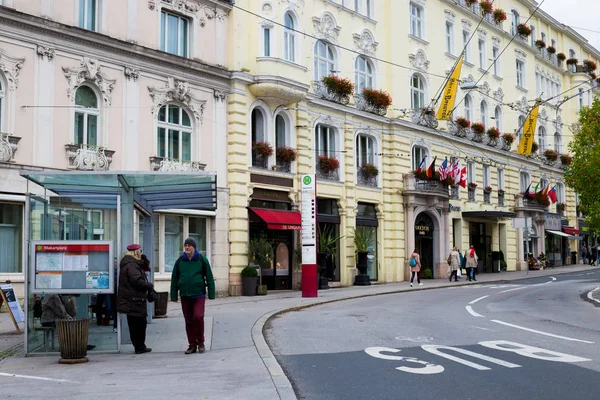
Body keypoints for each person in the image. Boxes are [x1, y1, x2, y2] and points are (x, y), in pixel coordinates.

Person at [170, 237, 216, 354]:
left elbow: (209, 276)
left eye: (188, 245)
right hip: (185, 295)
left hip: (198, 294)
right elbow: (174, 278)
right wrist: (174, 295)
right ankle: (192, 345)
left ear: (194, 247)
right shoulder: (180, 261)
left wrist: (211, 293)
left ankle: (201, 342)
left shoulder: (201, 259)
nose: (186, 247)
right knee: (188, 321)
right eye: (185, 246)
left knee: (198, 317)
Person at [117, 244, 154, 354]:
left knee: (136, 324)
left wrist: (144, 259)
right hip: (134, 299)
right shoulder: (131, 265)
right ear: (135, 252)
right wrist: (148, 285)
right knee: (139, 325)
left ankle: (139, 346)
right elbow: (136, 281)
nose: (141, 253)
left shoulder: (131, 263)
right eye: (140, 251)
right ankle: (139, 347)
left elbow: (145, 267)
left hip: (133, 299)